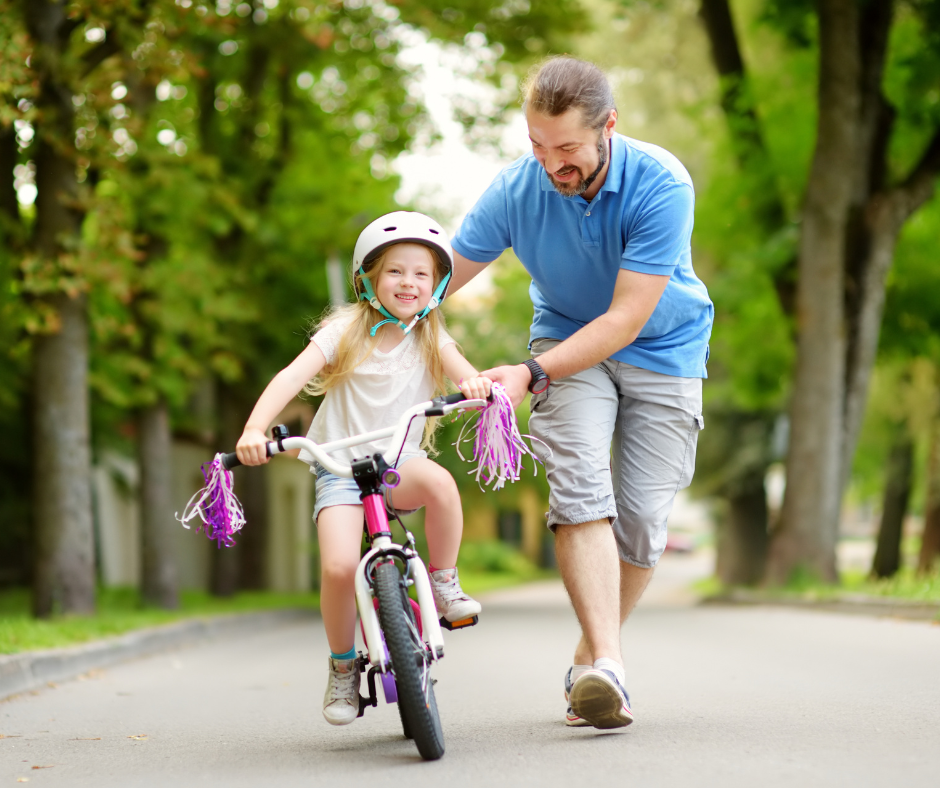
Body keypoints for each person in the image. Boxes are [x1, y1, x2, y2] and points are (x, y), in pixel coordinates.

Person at [449, 57, 713, 729]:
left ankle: (593, 659)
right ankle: (609, 670)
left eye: (566, 148)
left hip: (663, 347)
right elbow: (442, 273)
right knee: (580, 489)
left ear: (609, 128)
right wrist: (377, 303)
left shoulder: (661, 183)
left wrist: (528, 376)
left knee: (644, 520)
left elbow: (626, 318)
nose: (550, 163)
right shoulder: (517, 188)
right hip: (566, 347)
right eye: (537, 145)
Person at [236, 211, 491, 727]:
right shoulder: (344, 330)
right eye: (396, 271)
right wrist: (254, 429)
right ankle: (343, 665)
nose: (409, 283)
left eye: (422, 273)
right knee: (335, 568)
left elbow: (466, 374)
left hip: (400, 464)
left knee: (441, 484)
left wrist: (477, 386)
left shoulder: (430, 334)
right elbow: (290, 377)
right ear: (369, 278)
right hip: (339, 469)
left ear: (437, 284)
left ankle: (443, 582)